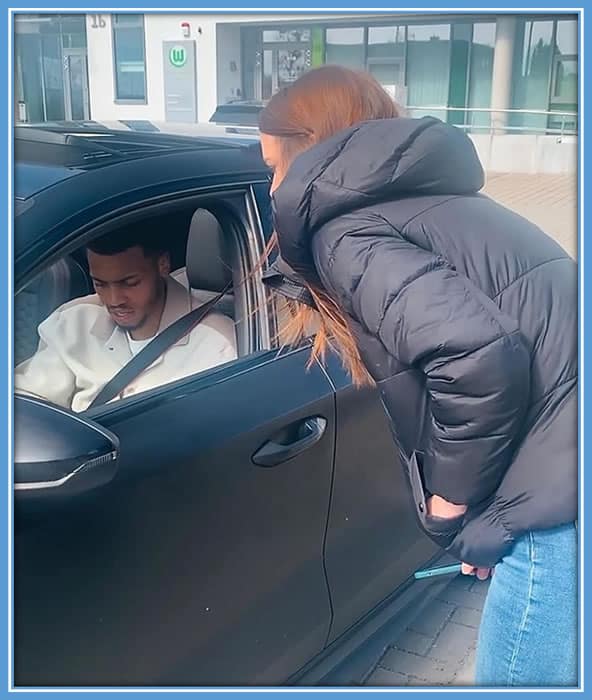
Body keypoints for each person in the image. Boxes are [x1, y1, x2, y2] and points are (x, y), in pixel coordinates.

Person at [259, 66, 577, 687]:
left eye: (274, 165)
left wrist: (453, 499)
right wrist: (489, 517)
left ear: (312, 148)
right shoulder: (432, 201)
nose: (273, 186)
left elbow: (477, 358)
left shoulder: (347, 231)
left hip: (558, 495)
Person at [15, 227, 237, 412]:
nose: (113, 300)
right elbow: (26, 404)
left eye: (129, 283)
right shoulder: (73, 322)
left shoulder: (217, 345)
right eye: (100, 284)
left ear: (163, 265)